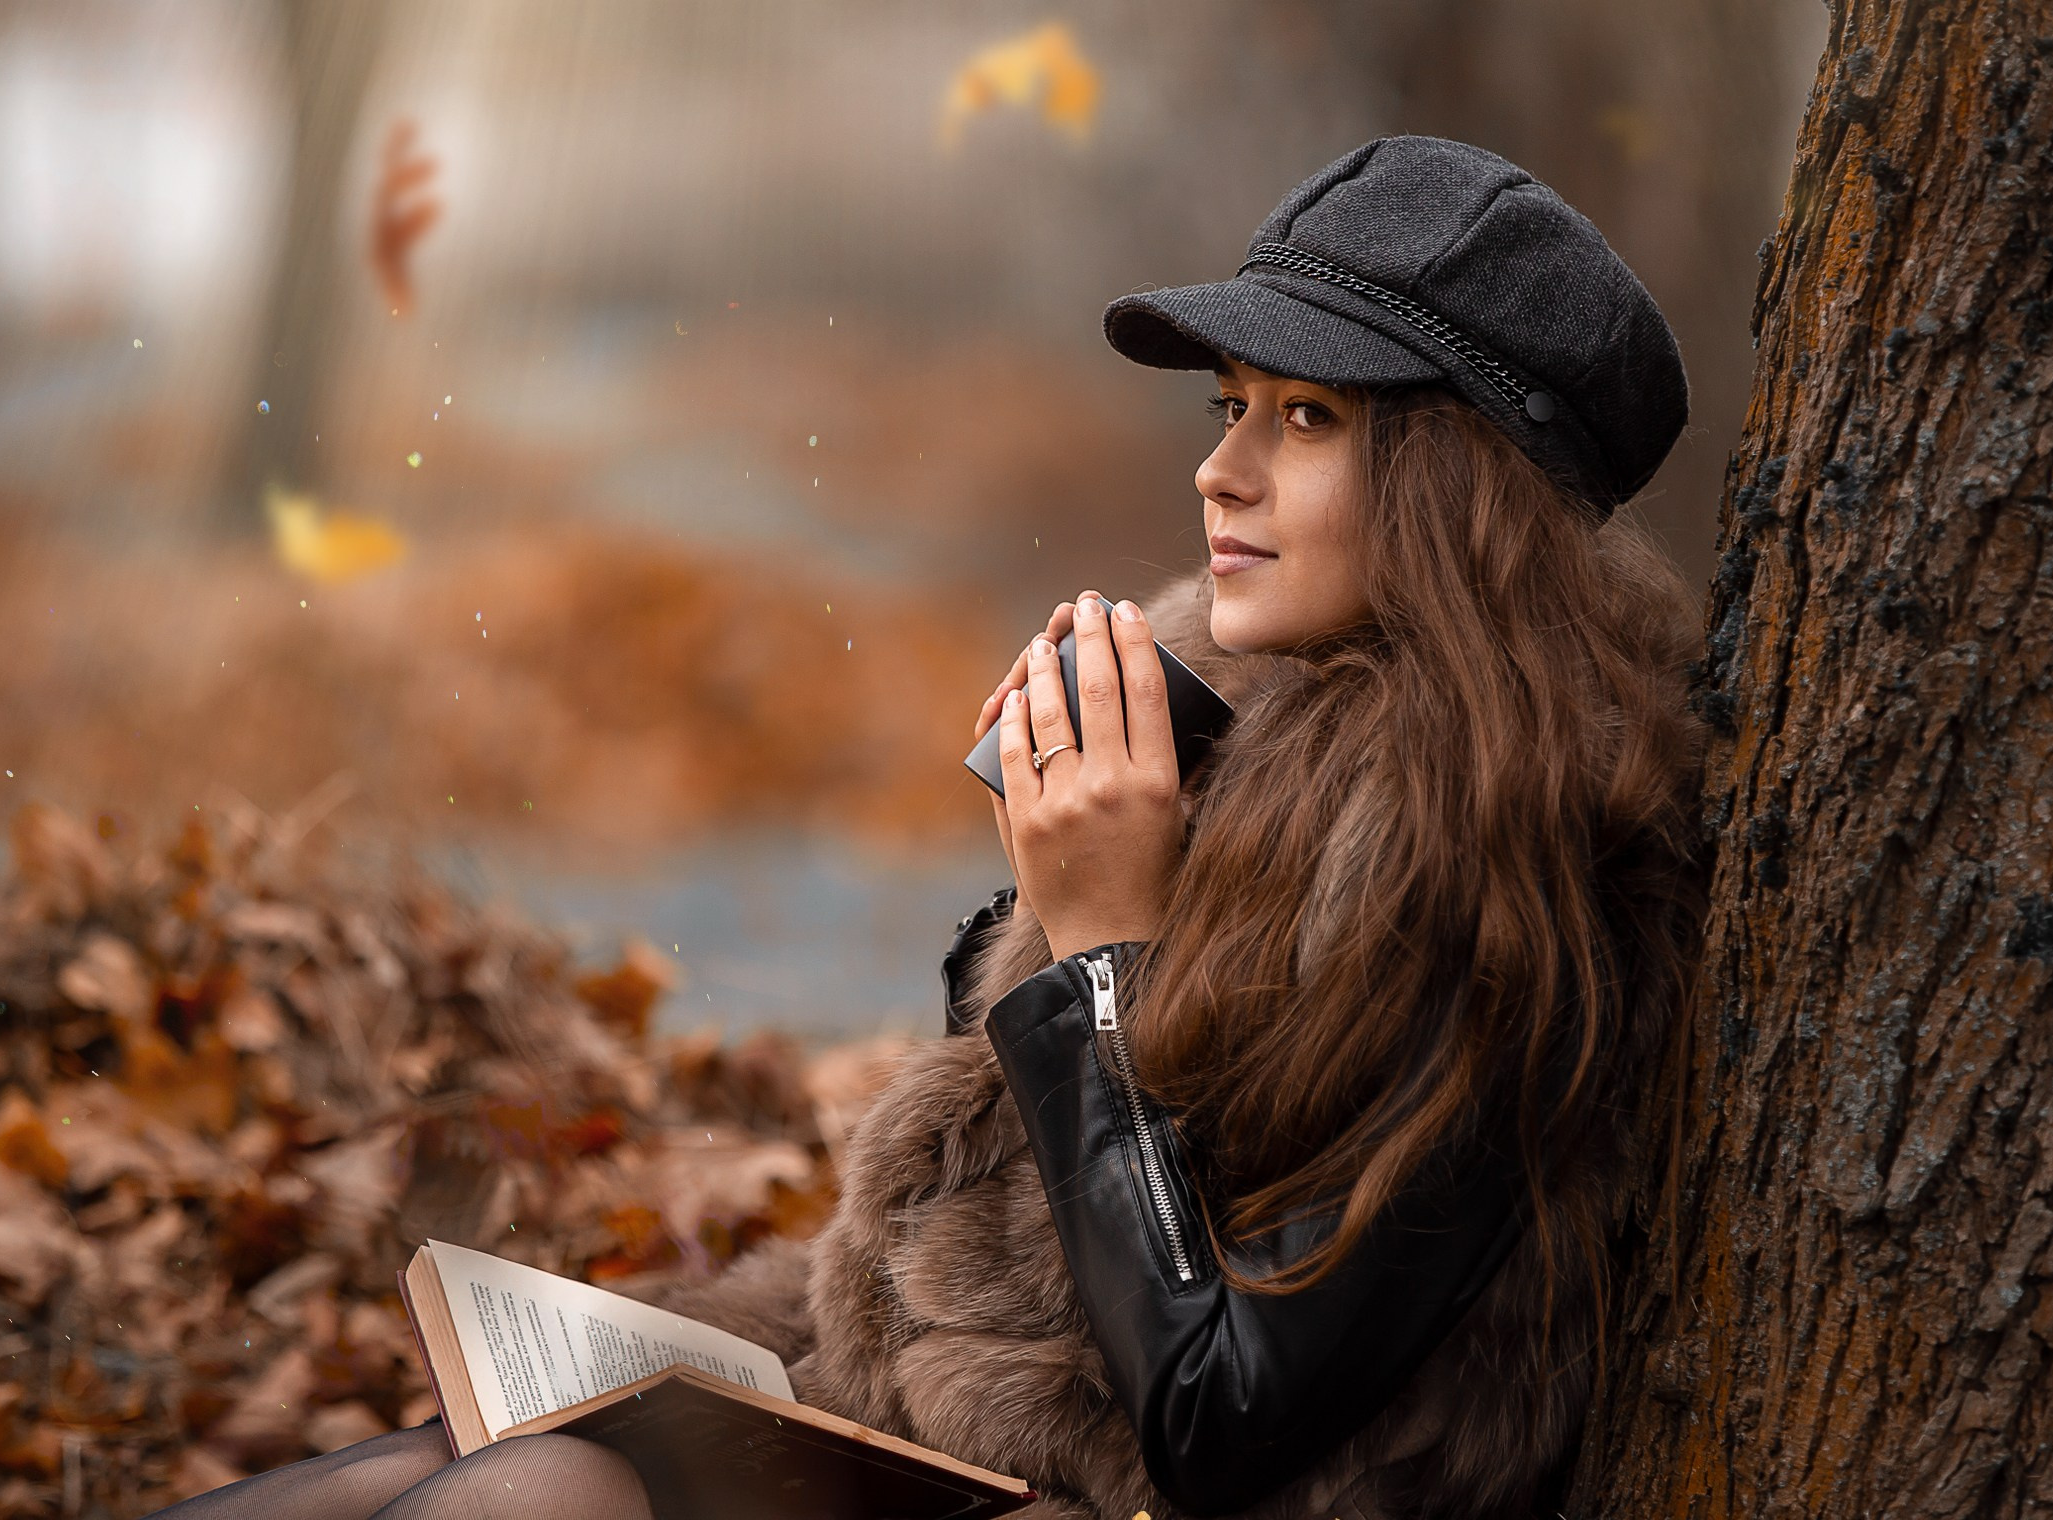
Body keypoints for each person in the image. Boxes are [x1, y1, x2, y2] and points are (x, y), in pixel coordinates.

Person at [147, 134, 1708, 1520]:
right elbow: (1046, 1166)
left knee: (541, 1494)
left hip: (1123, 1487)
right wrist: (1049, 892)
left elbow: (1219, 1425)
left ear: (1460, 489)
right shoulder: (1253, 714)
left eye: (1305, 418)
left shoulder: (1523, 873)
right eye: (1231, 404)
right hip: (931, 1414)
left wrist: (1093, 951)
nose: (1218, 468)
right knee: (462, 1462)